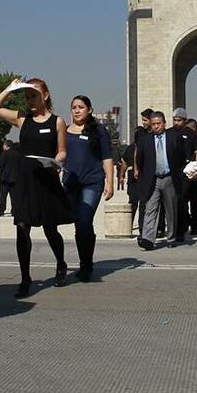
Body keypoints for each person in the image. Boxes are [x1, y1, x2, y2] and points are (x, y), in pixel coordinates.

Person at [0, 77, 71, 297]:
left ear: (45, 95)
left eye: (33, 95)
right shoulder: (22, 119)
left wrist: (57, 161)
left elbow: (62, 150)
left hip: (46, 177)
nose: (30, 100)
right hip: (24, 179)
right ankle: (25, 278)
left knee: (49, 228)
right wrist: (10, 88)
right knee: (22, 227)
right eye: (26, 97)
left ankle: (61, 264)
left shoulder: (58, 121)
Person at [64, 95, 114, 280]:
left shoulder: (98, 130)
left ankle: (87, 265)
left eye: (81, 107)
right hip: (71, 183)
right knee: (78, 224)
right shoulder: (65, 130)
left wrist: (110, 182)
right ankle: (83, 261)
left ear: (89, 110)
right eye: (74, 107)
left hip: (92, 182)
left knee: (85, 221)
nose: (77, 110)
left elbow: (107, 157)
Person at [135, 111, 188, 249]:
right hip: (153, 179)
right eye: (153, 124)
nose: (156, 127)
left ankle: (171, 238)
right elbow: (139, 159)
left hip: (169, 178)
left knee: (171, 210)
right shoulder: (145, 140)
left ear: (164, 123)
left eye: (159, 124)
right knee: (150, 208)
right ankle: (148, 238)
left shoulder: (174, 137)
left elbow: (181, 156)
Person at [170, 108, 197, 238]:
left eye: (179, 120)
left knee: (189, 202)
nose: (176, 122)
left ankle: (192, 226)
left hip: (188, 174)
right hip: (172, 173)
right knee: (176, 202)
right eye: (174, 120)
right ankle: (177, 229)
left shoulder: (191, 134)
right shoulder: (169, 133)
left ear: (184, 120)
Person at [0, 140, 20, 216]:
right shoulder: (17, 154)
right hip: (15, 178)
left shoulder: (4, 154)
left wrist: (0, 172)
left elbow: (0, 164)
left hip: (5, 179)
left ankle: (1, 210)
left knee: (3, 196)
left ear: (6, 146)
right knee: (14, 196)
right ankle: (14, 211)